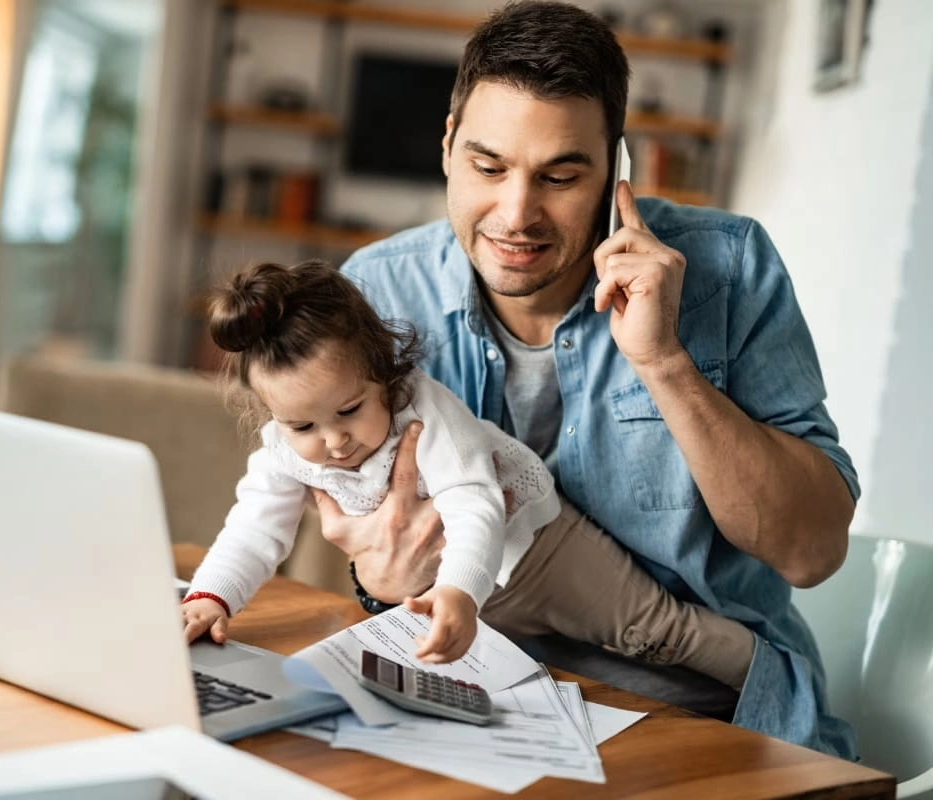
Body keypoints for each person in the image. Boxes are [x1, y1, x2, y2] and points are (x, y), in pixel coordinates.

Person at [325, 1, 859, 759]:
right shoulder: (375, 293)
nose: (517, 213)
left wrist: (664, 361)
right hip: (466, 694)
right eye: (488, 166)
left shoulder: (730, 270)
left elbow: (812, 552)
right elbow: (361, 532)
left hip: (700, 711)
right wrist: (373, 575)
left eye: (561, 175)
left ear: (617, 171)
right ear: (447, 146)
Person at [182, 260, 753, 688]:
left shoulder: (425, 412)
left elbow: (473, 504)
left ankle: (763, 672)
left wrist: (458, 591)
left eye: (350, 410)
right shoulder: (284, 450)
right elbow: (254, 529)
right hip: (463, 594)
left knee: (654, 633)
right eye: (302, 425)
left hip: (541, 552)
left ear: (383, 373)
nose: (333, 442)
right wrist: (212, 599)